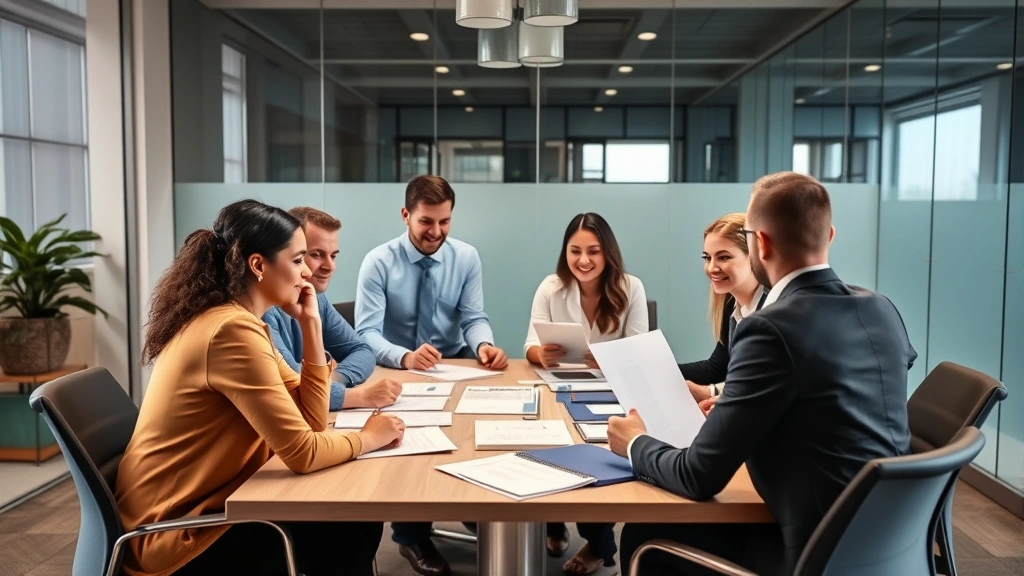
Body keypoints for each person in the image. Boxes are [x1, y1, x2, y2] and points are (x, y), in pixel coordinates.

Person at [607, 172, 917, 575]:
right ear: (829, 236)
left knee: (641, 534)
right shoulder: (881, 308)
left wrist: (634, 442)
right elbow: (844, 396)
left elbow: (697, 477)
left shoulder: (769, 328)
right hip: (889, 541)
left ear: (761, 243)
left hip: (812, 551)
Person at [115, 200, 405, 576]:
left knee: (351, 523)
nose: (307, 273)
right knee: (348, 527)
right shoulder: (230, 331)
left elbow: (311, 420)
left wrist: (311, 326)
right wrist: (369, 437)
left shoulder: (241, 321)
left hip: (216, 504)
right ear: (258, 265)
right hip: (177, 536)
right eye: (298, 260)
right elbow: (302, 452)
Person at [355, 175, 508, 576]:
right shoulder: (378, 262)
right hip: (396, 366)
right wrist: (405, 357)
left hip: (453, 361)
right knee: (411, 442)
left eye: (444, 222)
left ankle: (470, 504)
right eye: (426, 221)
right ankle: (411, 536)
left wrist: (483, 345)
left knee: (477, 431)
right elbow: (366, 333)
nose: (436, 232)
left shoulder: (466, 257)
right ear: (405, 215)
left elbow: (473, 317)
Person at [524, 213, 648, 575]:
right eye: (575, 251)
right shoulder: (551, 287)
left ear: (608, 252)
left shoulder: (630, 287)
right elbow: (529, 344)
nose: (583, 260)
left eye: (593, 251)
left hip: (611, 390)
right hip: (559, 384)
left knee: (597, 456)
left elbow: (639, 350)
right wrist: (540, 353)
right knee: (544, 443)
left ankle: (599, 542)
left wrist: (611, 358)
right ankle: (552, 522)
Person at [264, 207, 402, 411]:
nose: (330, 266)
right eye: (316, 255)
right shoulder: (263, 309)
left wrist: (332, 381)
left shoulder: (316, 299)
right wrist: (360, 397)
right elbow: (295, 387)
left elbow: (363, 351)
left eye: (333, 256)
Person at [678, 213, 767, 405]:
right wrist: (657, 371)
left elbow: (763, 382)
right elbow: (717, 368)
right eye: (707, 258)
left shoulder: (774, 309)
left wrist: (711, 392)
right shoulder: (731, 304)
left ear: (754, 256)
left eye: (724, 257)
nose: (711, 268)